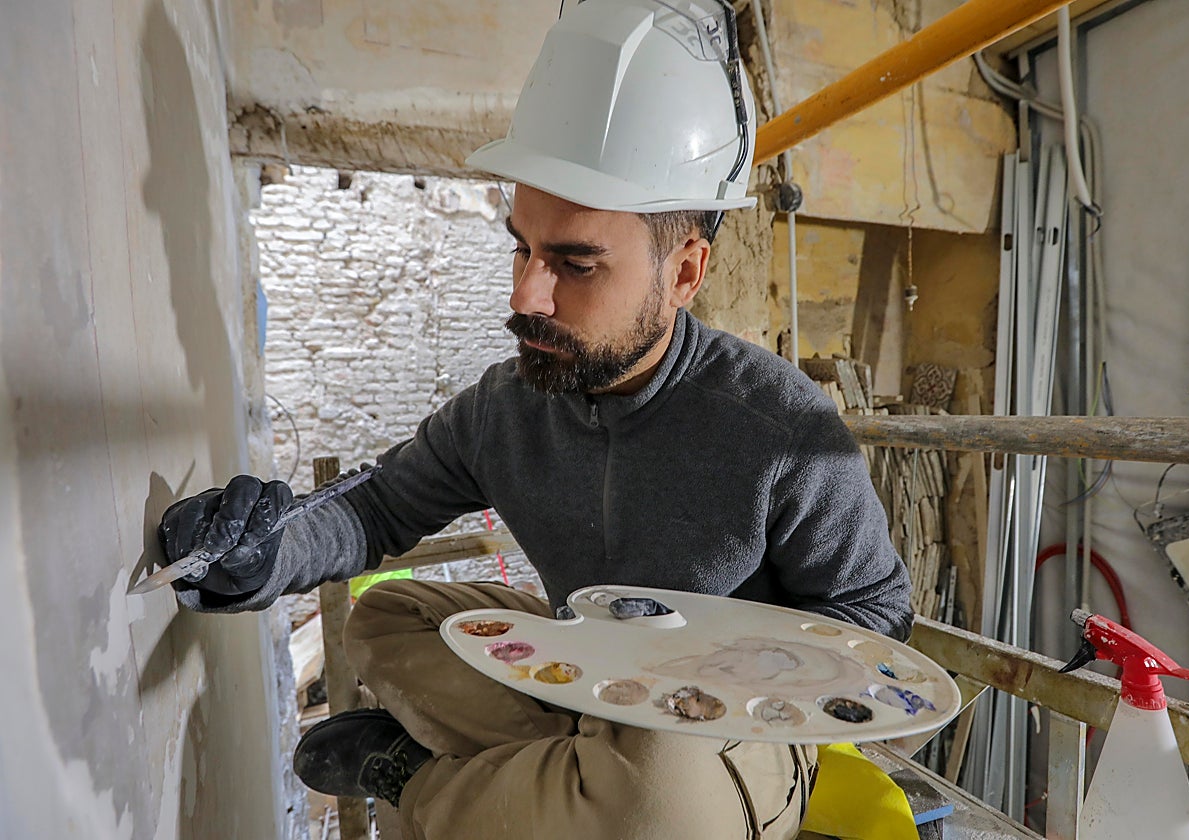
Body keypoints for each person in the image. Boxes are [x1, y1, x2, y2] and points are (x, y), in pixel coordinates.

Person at [157, 1, 913, 837]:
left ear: (686, 271)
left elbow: (875, 611)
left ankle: (421, 784)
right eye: (522, 247)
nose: (525, 296)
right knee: (386, 616)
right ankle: (576, 770)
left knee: (660, 799)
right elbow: (372, 510)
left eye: (574, 264)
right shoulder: (504, 410)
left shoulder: (782, 426)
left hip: (727, 728)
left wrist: (711, 671)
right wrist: (257, 556)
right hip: (579, 668)